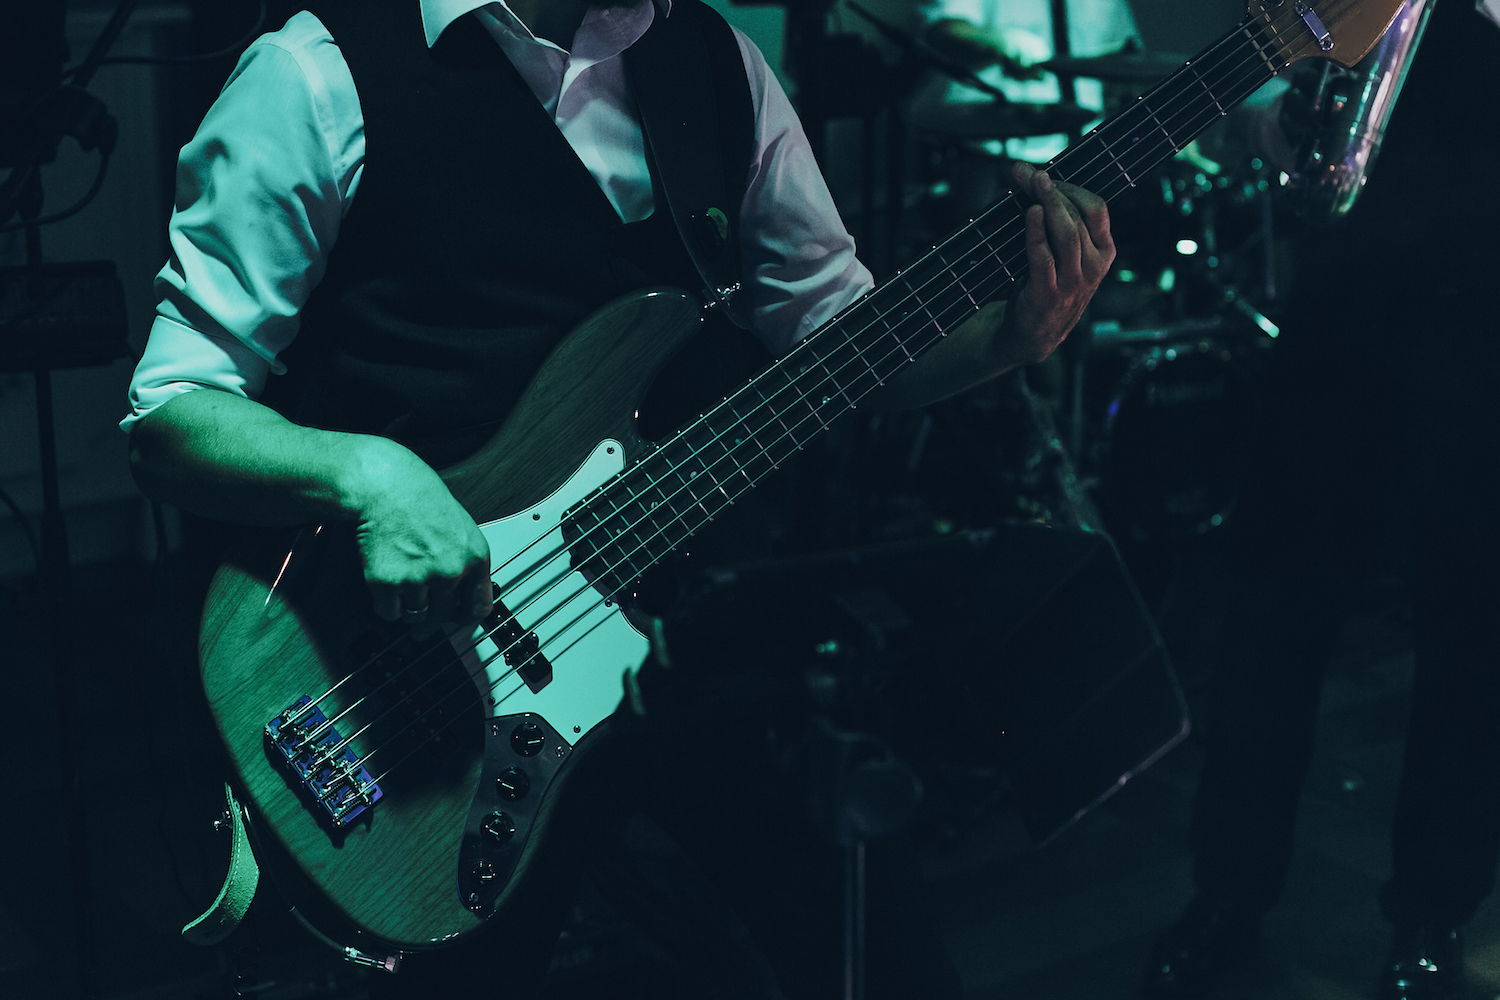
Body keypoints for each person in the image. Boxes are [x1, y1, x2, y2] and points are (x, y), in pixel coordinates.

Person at [122, 0, 1115, 994]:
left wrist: (1002, 341)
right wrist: (372, 476)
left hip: (686, 642)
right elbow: (173, 414)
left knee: (887, 962)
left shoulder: (716, 61)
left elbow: (833, 337)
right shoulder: (314, 74)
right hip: (416, 677)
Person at [1139, 3, 1500, 998]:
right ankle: (1226, 894)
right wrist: (1270, 114)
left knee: (1473, 646)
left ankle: (1432, 918)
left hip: (1490, 333)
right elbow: (1261, 56)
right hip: (1348, 313)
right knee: (1271, 622)